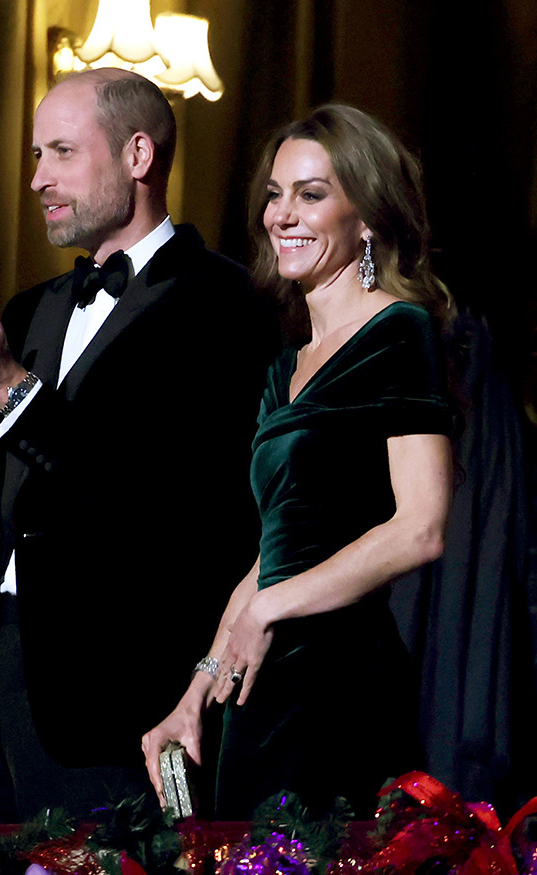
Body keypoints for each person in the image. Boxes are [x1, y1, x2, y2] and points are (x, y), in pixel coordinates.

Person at [0, 68, 277, 822]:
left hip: (117, 694)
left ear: (137, 155)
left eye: (60, 152)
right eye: (35, 156)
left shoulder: (225, 306)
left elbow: (155, 505)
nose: (36, 179)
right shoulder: (34, 308)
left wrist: (9, 389)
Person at [142, 104, 455, 821]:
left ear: (367, 217)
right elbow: (271, 553)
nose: (282, 213)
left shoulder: (399, 332)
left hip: (338, 677)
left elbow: (422, 527)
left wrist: (272, 606)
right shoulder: (285, 366)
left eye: (312, 194)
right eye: (276, 194)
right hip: (262, 685)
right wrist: (194, 695)